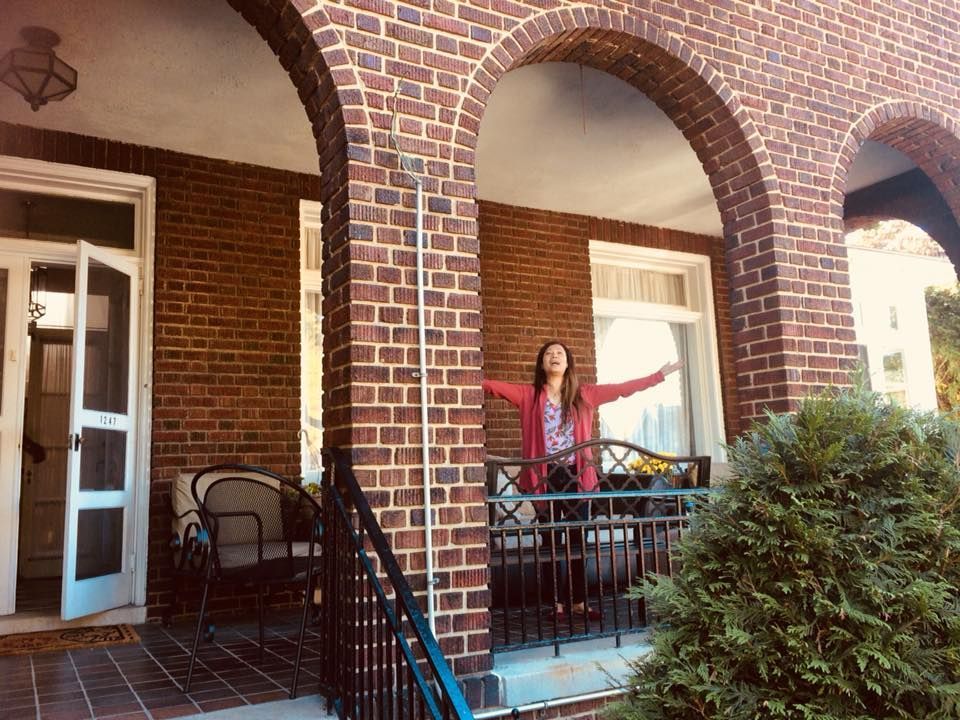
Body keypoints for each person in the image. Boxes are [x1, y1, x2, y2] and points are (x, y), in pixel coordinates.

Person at [483, 339, 683, 621]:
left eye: (560, 353)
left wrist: (658, 376)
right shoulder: (528, 395)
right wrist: (459, 373)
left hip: (578, 475)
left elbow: (623, 389)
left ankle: (577, 602)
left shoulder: (585, 394)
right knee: (550, 539)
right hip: (545, 476)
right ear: (542, 363)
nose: (554, 356)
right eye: (549, 353)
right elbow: (490, 386)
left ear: (568, 363)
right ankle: (556, 604)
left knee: (579, 538)